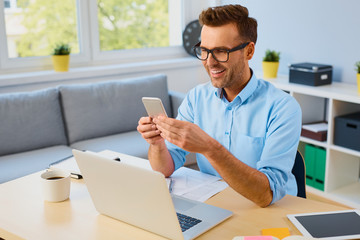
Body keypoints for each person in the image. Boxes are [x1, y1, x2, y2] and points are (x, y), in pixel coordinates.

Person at [137, 4, 301, 207]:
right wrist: (157, 143)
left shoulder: (283, 108)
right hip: (218, 203)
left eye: (221, 51)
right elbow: (164, 169)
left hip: (269, 211)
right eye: (204, 51)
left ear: (249, 51)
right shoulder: (196, 98)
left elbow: (265, 195)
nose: (210, 62)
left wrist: (208, 147)